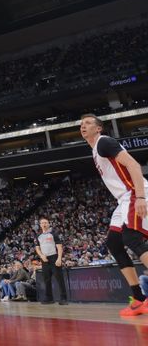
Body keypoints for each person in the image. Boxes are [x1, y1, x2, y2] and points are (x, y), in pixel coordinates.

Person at [80, 114, 148, 317]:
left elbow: (134, 166)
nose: (83, 126)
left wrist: (141, 197)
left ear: (99, 128)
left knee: (132, 237)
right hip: (123, 200)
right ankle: (139, 299)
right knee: (114, 243)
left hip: (135, 193)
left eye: (88, 123)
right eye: (81, 124)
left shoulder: (104, 142)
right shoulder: (94, 149)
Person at [35, 218, 68, 305]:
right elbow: (37, 248)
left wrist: (59, 258)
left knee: (59, 279)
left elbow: (59, 247)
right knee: (47, 279)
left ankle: (63, 298)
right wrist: (41, 256)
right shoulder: (38, 236)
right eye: (42, 223)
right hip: (44, 259)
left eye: (46, 222)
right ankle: (49, 298)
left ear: (49, 224)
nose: (44, 224)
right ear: (40, 225)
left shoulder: (53, 234)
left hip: (54, 257)